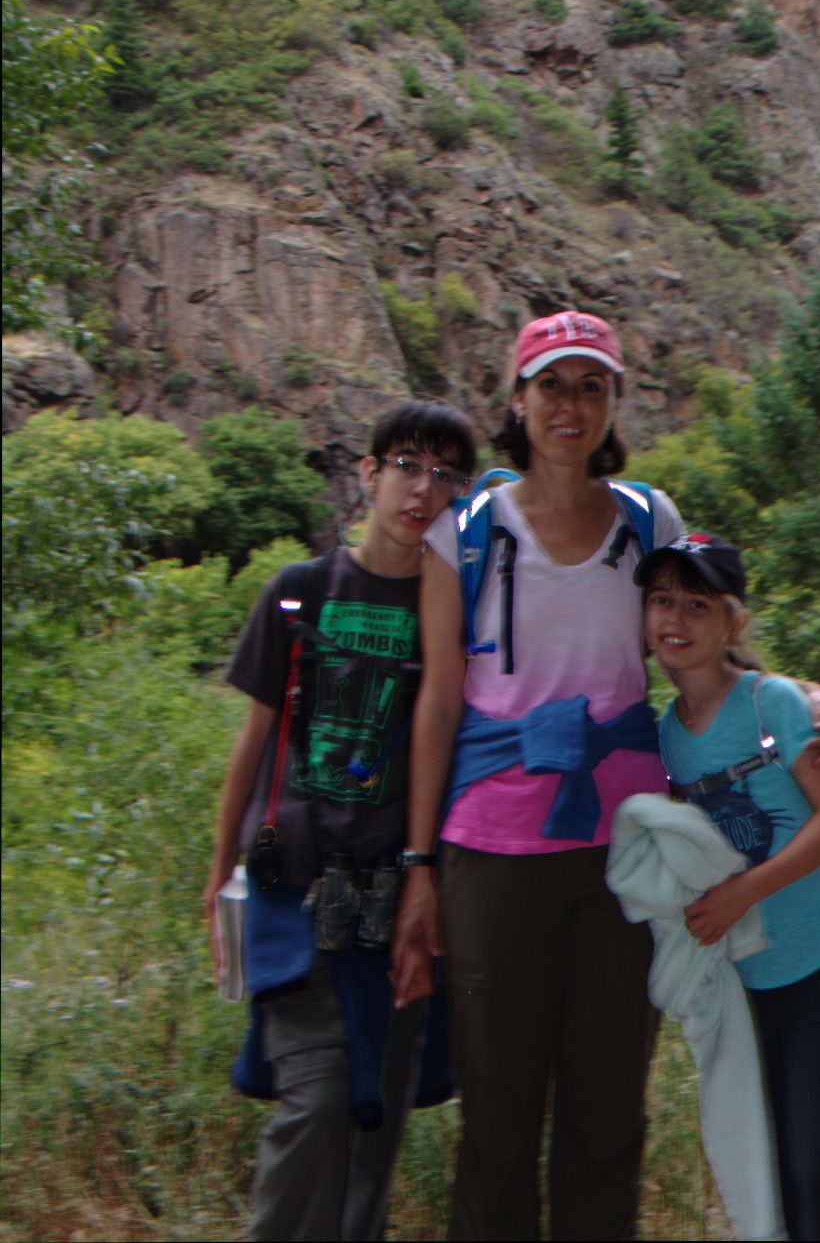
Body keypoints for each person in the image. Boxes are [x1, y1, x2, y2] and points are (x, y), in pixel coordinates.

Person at [392, 308, 820, 1241]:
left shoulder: (648, 519)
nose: (570, 404)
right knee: (499, 1118)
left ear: (613, 403)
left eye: (591, 385)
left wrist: (792, 688)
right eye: (552, 384)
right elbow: (436, 703)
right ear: (518, 399)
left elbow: (702, 631)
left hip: (626, 852)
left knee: (608, 1114)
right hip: (492, 845)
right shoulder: (466, 529)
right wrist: (418, 866)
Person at [203, 397, 476, 1243]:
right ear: (368, 471)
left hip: (394, 895)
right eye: (406, 465)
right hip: (295, 882)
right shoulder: (298, 593)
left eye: (444, 475)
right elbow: (252, 744)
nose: (422, 490)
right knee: (317, 1096)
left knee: (375, 1119)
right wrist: (217, 879)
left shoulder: (455, 611)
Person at [639, 531, 820, 1243]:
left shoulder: (775, 705)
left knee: (816, 1167)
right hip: (746, 984)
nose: (675, 620)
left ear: (734, 622)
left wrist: (744, 891)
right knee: (772, 1171)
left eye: (697, 604)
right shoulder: (665, 736)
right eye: (661, 600)